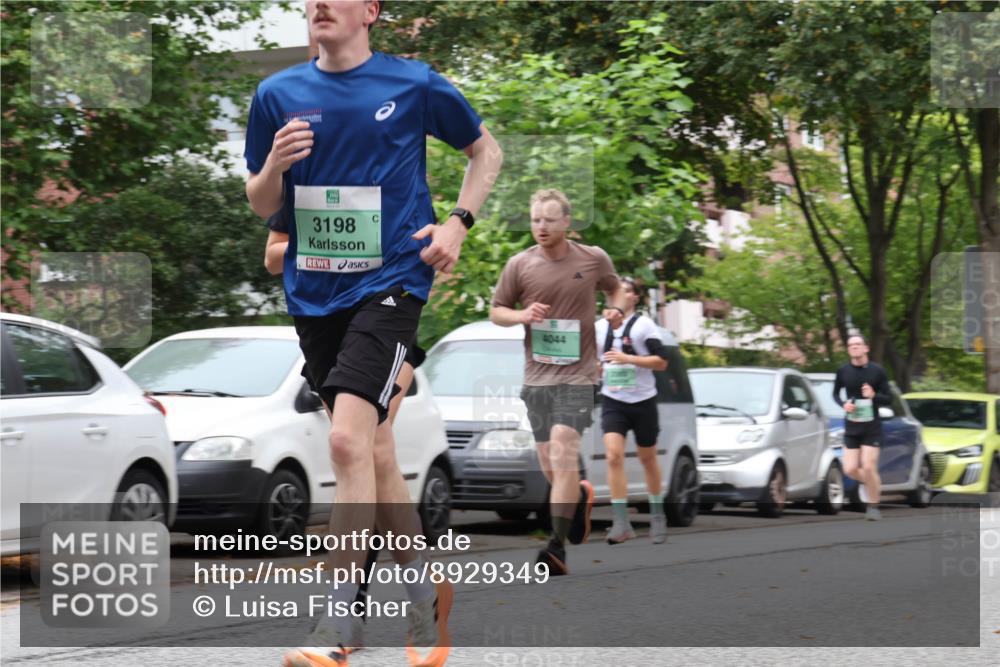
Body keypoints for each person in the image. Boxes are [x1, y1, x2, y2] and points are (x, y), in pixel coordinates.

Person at [244, 1, 502, 665]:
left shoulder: (411, 82)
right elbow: (261, 203)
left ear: (370, 11)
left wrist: (456, 224)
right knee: (376, 447)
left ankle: (337, 624)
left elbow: (485, 150)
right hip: (315, 294)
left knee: (345, 439)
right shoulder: (277, 94)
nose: (319, 4)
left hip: (392, 283)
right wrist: (273, 165)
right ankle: (423, 595)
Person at [490, 188, 627, 575]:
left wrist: (615, 308)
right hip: (537, 376)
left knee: (565, 449)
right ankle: (579, 499)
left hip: (579, 374)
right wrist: (521, 316)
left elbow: (615, 287)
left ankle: (556, 547)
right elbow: (496, 310)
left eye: (550, 219)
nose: (542, 227)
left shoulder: (592, 258)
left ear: (567, 222)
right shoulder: (520, 265)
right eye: (536, 220)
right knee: (551, 464)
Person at [594, 277, 669, 544]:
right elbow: (592, 362)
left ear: (635, 297)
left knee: (647, 458)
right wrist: (597, 369)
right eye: (615, 291)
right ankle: (621, 522)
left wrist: (628, 358)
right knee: (613, 456)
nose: (619, 295)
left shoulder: (644, 326)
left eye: (625, 291)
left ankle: (658, 515)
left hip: (643, 400)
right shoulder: (599, 327)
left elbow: (661, 362)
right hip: (614, 400)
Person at [832, 333, 891, 521]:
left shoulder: (877, 371)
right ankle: (874, 484)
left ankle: (873, 507)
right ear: (848, 350)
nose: (854, 347)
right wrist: (843, 404)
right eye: (851, 345)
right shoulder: (843, 371)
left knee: (868, 466)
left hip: (871, 427)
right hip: (852, 426)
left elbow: (889, 399)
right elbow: (835, 394)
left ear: (866, 348)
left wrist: (874, 395)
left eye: (858, 344)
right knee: (849, 469)